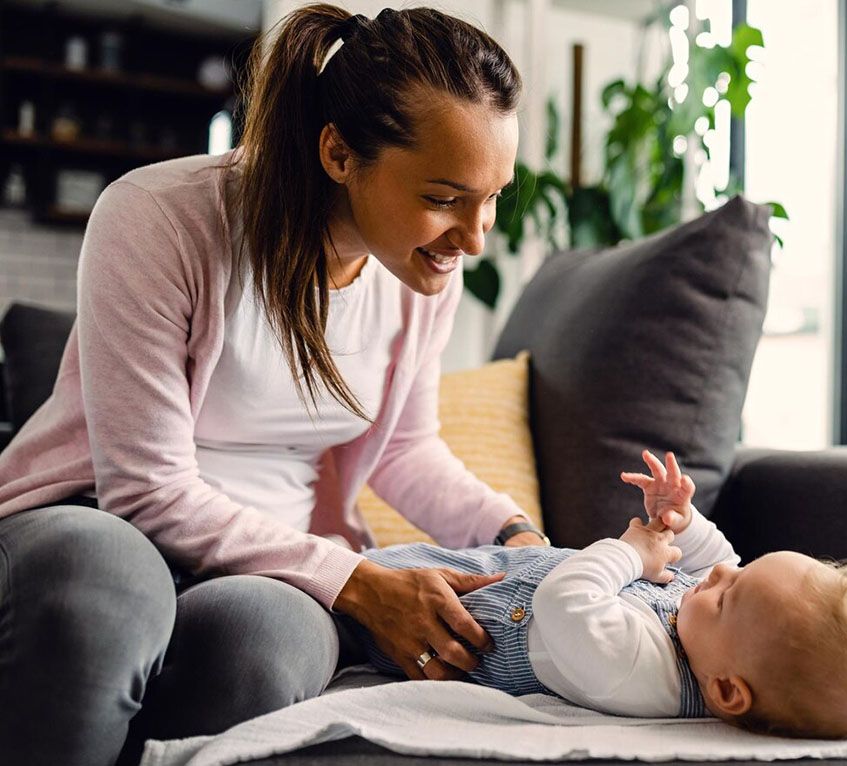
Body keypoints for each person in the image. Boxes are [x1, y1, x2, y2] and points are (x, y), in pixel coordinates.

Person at [0, 5, 546, 765]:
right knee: (108, 587)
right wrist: (355, 581)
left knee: (266, 641)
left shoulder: (422, 273)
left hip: (276, 561)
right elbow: (144, 491)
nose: (475, 237)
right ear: (338, 153)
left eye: (492, 198)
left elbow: (404, 450)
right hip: (99, 517)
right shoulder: (160, 217)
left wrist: (515, 534)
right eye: (443, 198)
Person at [347, 450, 847, 740]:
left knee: (349, 577)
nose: (721, 576)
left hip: (428, 615)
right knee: (351, 560)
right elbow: (718, 559)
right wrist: (682, 519)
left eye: (727, 597)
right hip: (492, 566)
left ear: (726, 691)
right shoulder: (719, 636)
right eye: (742, 574)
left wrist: (633, 551)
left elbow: (563, 602)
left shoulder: (640, 672)